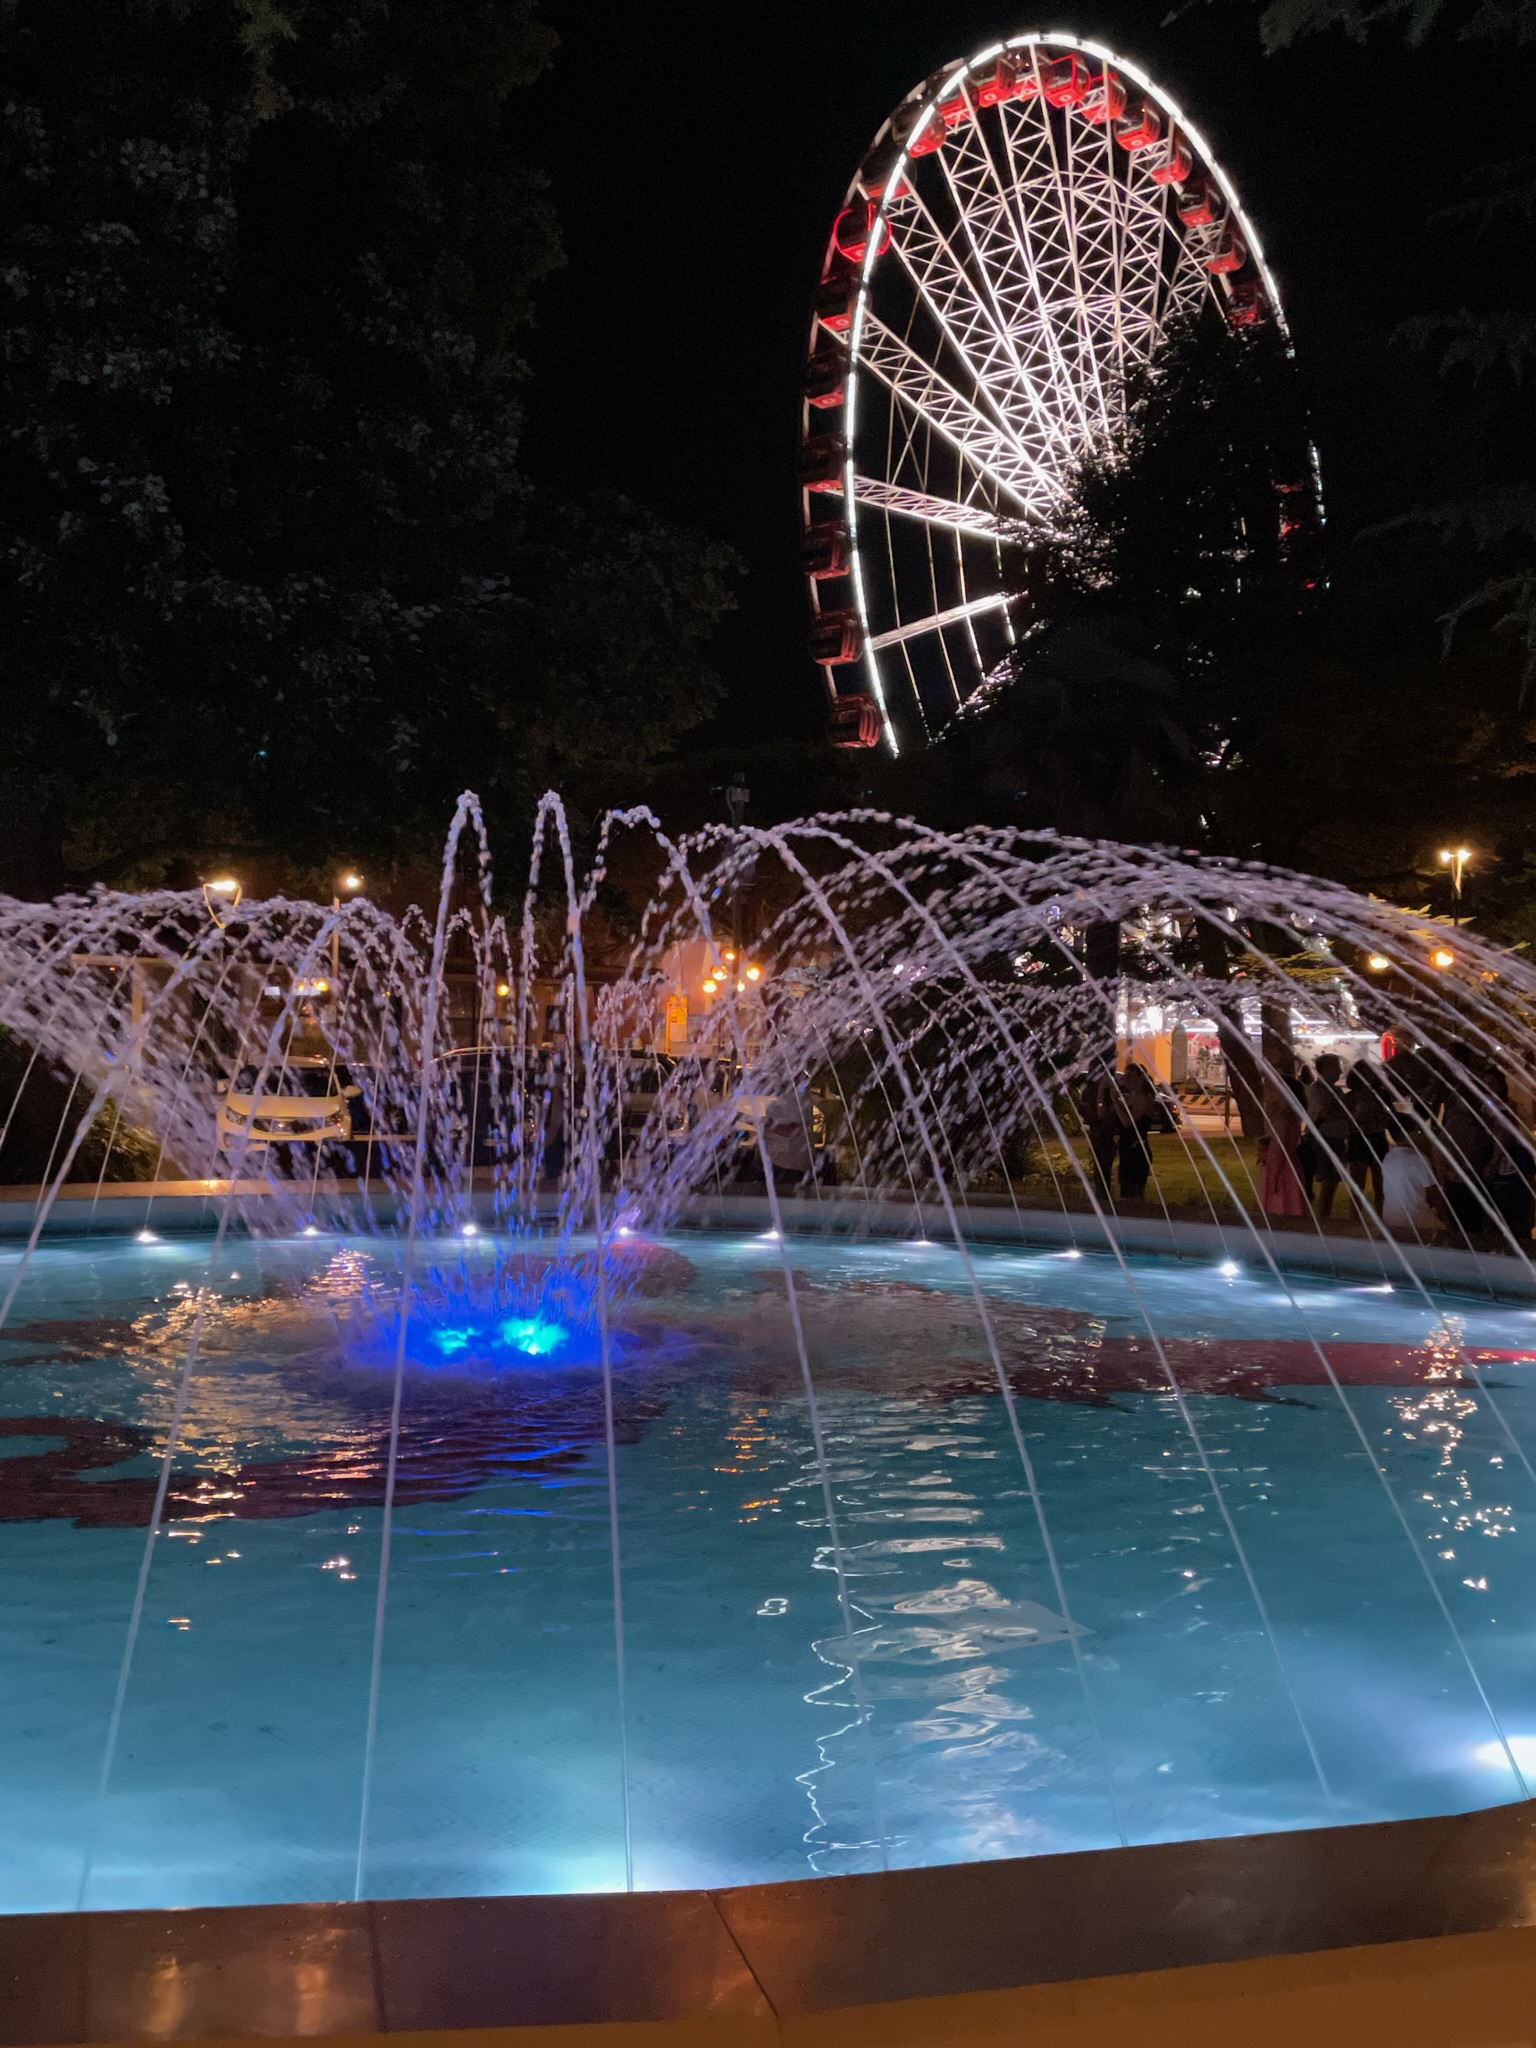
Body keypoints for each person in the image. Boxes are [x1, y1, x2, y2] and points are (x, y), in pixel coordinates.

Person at [1259, 1053, 1308, 1220]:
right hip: (1291, 1168)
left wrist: (1271, 1182)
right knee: (1291, 1206)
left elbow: (1280, 1151)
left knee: (1279, 1208)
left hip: (1282, 1171)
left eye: (1272, 1090)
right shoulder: (1291, 1116)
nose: (1268, 1094)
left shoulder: (1282, 1117)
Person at [1303, 1052, 1352, 1219]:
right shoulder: (1316, 1090)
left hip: (1336, 1139)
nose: (1339, 1071)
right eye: (1335, 1067)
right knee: (1327, 1181)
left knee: (1333, 1182)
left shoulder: (1337, 1091)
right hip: (1323, 1140)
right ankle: (1322, 1218)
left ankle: (1325, 1216)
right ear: (1322, 1070)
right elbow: (1326, 1112)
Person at [1381, 1120, 1447, 1238]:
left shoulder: (1388, 1157)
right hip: (1414, 1219)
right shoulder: (1418, 1158)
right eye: (1418, 1131)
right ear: (1409, 1134)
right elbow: (1435, 1195)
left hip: (1390, 1218)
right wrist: (1449, 1222)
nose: (1421, 1134)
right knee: (1445, 1234)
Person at [1345, 1059, 1392, 1215]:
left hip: (1375, 1139)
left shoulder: (1381, 1095)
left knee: (1380, 1187)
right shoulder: (1352, 1097)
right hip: (1360, 1139)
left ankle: (1380, 1220)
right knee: (1358, 1186)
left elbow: (1389, 1117)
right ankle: (1356, 1222)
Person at [1114, 1061, 1160, 1203]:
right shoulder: (1132, 1097)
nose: (1125, 1079)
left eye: (1129, 1076)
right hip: (1129, 1149)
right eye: (1125, 1076)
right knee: (1127, 1195)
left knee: (1133, 1198)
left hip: (1136, 1152)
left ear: (1140, 1078)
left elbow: (1128, 1122)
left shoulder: (1142, 1098)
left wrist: (1114, 1100)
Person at [1082, 1064, 1122, 1197]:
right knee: (1099, 1167)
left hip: (1105, 1135)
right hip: (1098, 1133)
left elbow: (1107, 1114)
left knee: (1104, 1167)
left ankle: (1104, 1194)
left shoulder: (1110, 1090)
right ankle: (1101, 1194)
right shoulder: (1092, 1089)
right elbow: (1088, 1108)